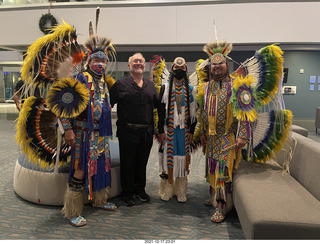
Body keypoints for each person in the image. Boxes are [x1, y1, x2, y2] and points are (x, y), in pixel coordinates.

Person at [61, 36, 117, 227]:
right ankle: (72, 211)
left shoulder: (104, 83)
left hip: (100, 135)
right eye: (96, 60)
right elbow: (64, 106)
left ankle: (100, 200)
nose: (100, 64)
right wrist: (68, 130)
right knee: (80, 168)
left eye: (103, 61)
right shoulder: (80, 79)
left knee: (101, 165)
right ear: (88, 61)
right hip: (82, 134)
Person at [199, 41, 250, 223]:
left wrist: (243, 134)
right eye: (214, 64)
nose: (217, 67)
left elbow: (246, 113)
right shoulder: (206, 87)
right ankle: (215, 197)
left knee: (222, 171)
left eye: (221, 64)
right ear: (210, 67)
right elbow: (203, 111)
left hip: (228, 136)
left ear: (227, 66)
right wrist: (203, 131)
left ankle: (221, 207)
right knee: (212, 168)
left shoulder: (238, 85)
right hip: (211, 137)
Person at [110, 53, 159, 207]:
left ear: (144, 65)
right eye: (135, 61)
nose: (138, 63)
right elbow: (108, 104)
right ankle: (127, 192)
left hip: (146, 133)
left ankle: (140, 190)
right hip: (127, 132)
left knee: (142, 162)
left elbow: (159, 107)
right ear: (129, 65)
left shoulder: (150, 86)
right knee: (128, 163)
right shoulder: (120, 85)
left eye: (141, 61)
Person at [157, 57, 197, 202]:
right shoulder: (165, 88)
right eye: (176, 68)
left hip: (184, 132)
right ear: (172, 70)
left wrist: (192, 131)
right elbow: (161, 111)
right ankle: (167, 190)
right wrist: (160, 131)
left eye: (182, 69)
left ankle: (181, 191)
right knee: (168, 161)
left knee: (182, 161)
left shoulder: (191, 90)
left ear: (186, 71)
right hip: (169, 131)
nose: (179, 71)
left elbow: (194, 115)